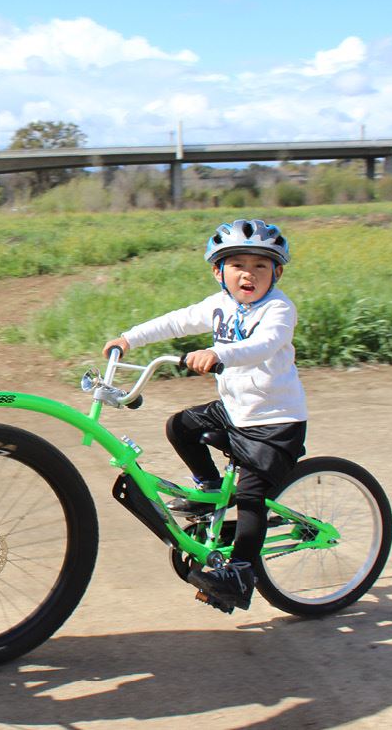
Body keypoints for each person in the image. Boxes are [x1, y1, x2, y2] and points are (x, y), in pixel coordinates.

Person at [102, 219, 307, 612]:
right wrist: (129, 338)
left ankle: (240, 572)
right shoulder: (219, 305)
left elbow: (264, 345)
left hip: (275, 421)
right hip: (234, 411)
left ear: (277, 272)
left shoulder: (279, 309)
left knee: (250, 499)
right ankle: (210, 487)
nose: (249, 273)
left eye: (261, 265)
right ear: (219, 272)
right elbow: (176, 321)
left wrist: (220, 354)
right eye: (237, 265)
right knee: (180, 426)